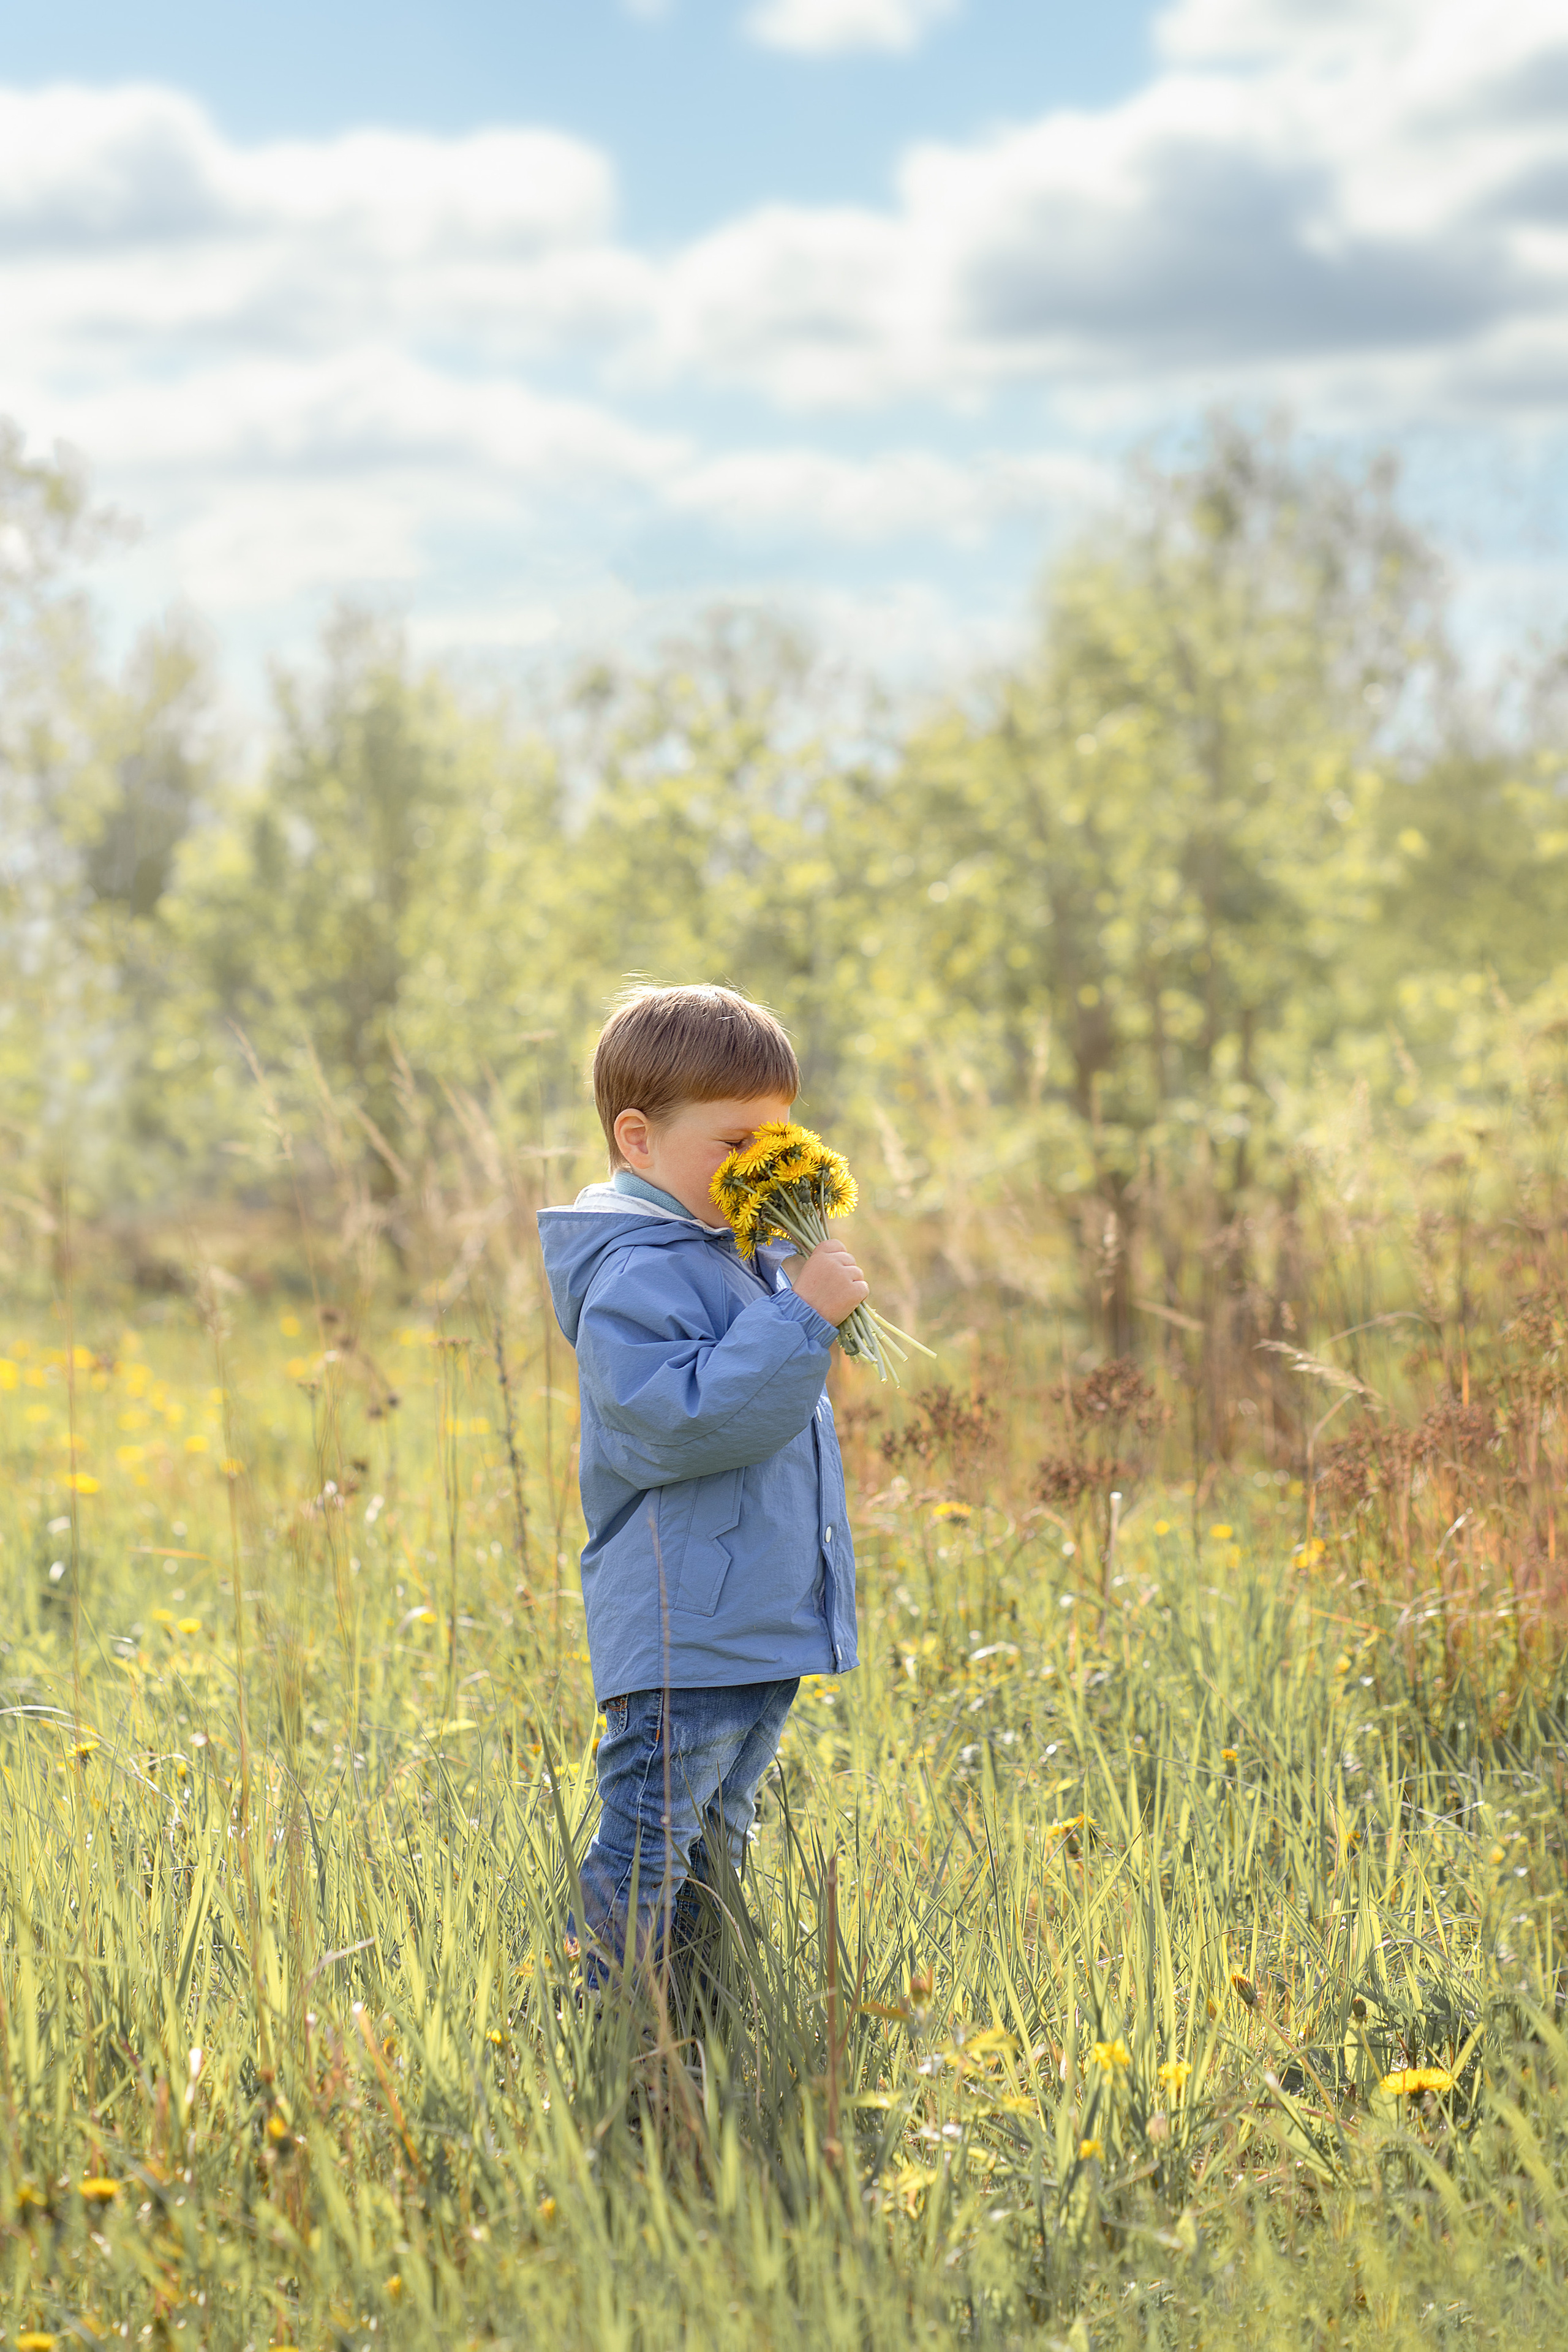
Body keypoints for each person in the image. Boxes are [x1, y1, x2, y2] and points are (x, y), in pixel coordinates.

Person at [537, 982, 867, 1985]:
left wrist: (793, 1285)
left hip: (750, 1616)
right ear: (637, 1140)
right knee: (649, 1841)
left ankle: (705, 2012)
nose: (762, 1164)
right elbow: (675, 1423)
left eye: (778, 1140)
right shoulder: (637, 1270)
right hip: (687, 1625)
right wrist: (800, 1319)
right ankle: (610, 2029)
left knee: (717, 1840)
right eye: (736, 1145)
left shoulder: (732, 1253)